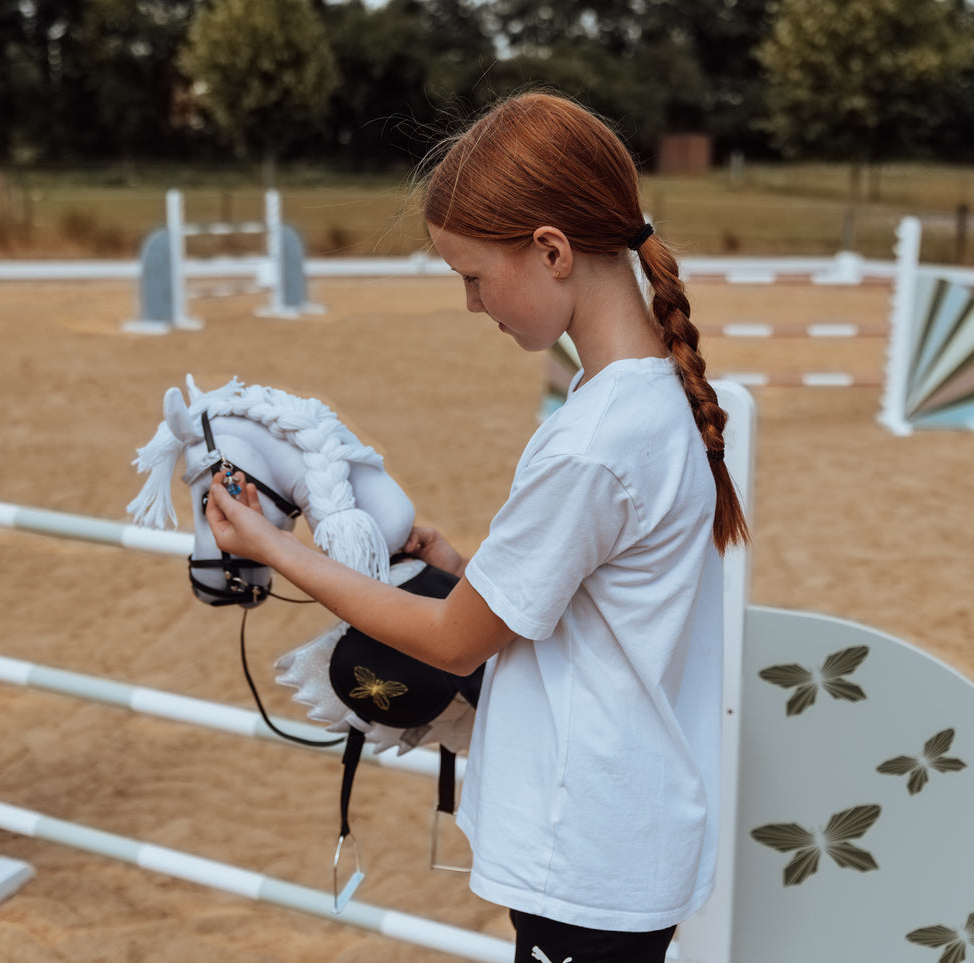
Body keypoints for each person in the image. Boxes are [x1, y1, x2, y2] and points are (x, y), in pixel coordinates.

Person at [204, 90, 749, 963]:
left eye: (471, 275)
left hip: (586, 851)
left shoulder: (594, 440)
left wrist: (275, 548)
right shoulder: (643, 399)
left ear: (551, 251)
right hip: (616, 834)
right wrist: (468, 571)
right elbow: (596, 604)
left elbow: (453, 644)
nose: (470, 303)